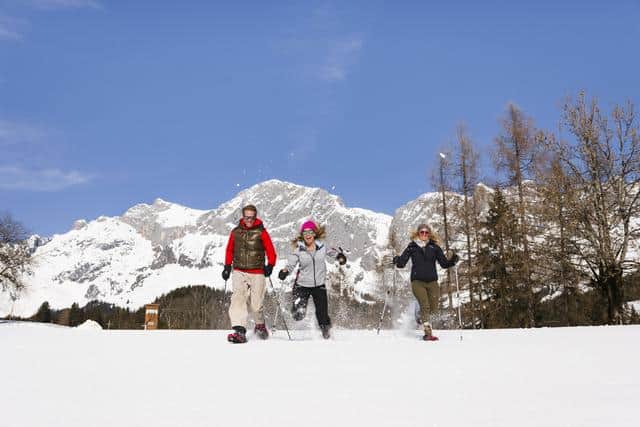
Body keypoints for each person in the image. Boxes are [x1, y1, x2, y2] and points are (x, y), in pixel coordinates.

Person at [278, 220, 346, 339]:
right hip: (302, 285)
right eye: (305, 232)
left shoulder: (322, 247)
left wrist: (340, 257)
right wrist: (285, 271)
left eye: (310, 232)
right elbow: (290, 264)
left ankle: (326, 331)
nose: (308, 234)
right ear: (302, 235)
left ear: (314, 234)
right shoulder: (299, 250)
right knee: (298, 315)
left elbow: (334, 253)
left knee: (322, 314)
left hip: (319, 285)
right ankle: (296, 309)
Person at [391, 223, 458, 341]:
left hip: (432, 282)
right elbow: (401, 264)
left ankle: (418, 312)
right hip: (417, 281)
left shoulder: (434, 248)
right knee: (425, 306)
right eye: (422, 232)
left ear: (429, 234)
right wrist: (396, 260)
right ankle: (428, 333)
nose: (424, 234)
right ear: (418, 233)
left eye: (426, 232)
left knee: (434, 309)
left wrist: (452, 261)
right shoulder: (412, 247)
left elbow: (443, 264)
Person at [222, 204, 276, 344]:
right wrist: (227, 267)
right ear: (243, 217)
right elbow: (229, 250)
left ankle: (260, 325)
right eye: (247, 217)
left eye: (252, 217)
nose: (249, 220)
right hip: (239, 270)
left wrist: (270, 265)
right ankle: (240, 331)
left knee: (256, 304)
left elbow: (270, 250)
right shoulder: (235, 232)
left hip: (257, 272)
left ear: (255, 217)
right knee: (238, 298)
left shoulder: (262, 232)